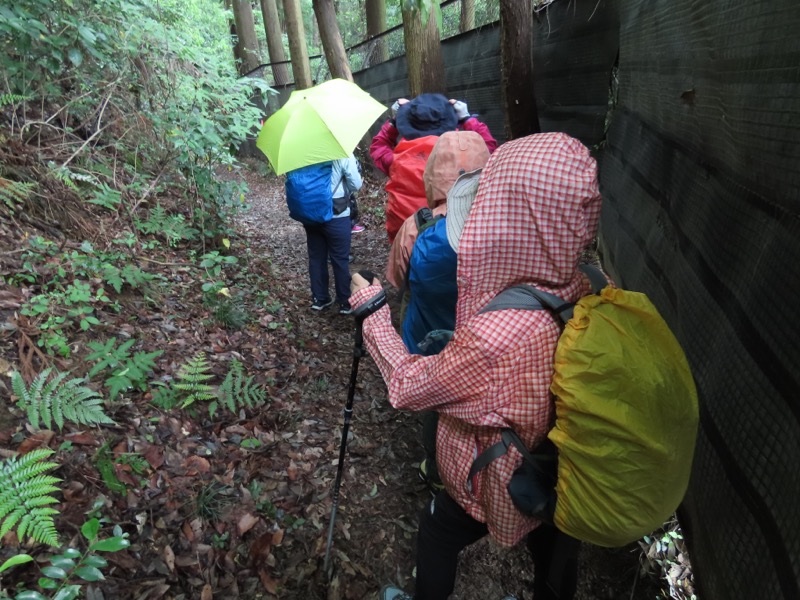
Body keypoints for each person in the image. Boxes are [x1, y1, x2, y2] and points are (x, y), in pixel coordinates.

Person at [349, 133, 602, 600]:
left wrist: (371, 313)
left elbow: (407, 386)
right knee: (554, 549)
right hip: (561, 468)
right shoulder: (584, 285)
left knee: (439, 533)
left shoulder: (495, 336)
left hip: (501, 480)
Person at [369, 93, 497, 243]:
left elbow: (378, 146)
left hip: (407, 238)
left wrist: (394, 122)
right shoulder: (464, 157)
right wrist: (467, 118)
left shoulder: (395, 160)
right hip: (452, 236)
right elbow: (488, 150)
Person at [299, 154, 362, 315]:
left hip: (312, 213)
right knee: (340, 259)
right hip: (337, 215)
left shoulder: (303, 152)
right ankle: (345, 302)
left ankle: (320, 299)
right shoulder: (342, 153)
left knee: (316, 257)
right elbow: (356, 184)